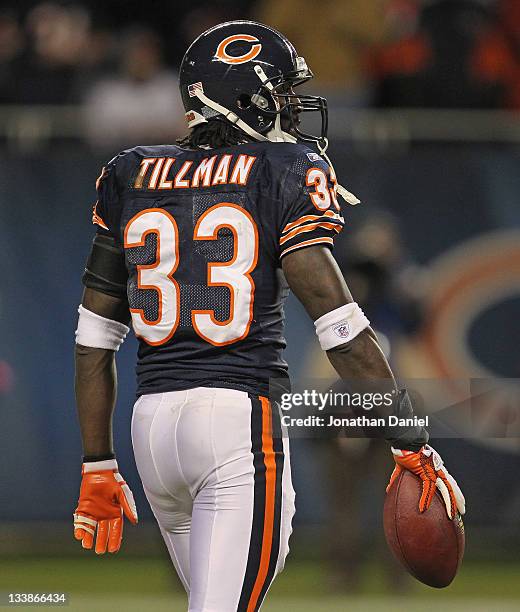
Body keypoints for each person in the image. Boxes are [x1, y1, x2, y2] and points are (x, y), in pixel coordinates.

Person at [72, 21, 465, 612]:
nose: (289, 110)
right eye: (278, 95)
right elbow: (341, 327)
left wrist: (98, 461)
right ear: (242, 99)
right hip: (236, 423)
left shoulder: (130, 172)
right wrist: (411, 440)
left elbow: (94, 336)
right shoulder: (281, 171)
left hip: (150, 428)